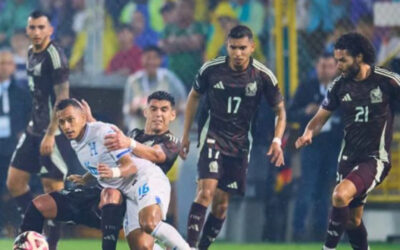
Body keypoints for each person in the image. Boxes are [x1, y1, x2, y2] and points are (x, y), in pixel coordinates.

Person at [20, 98, 191, 250]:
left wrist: (113, 172)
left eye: (70, 120)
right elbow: (100, 161)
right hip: (127, 191)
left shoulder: (104, 133)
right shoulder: (77, 141)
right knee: (142, 247)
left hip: (144, 178)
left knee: (149, 223)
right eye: (62, 122)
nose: (66, 126)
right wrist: (85, 178)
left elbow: (130, 167)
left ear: (82, 118)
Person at [180, 25, 286, 249]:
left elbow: (280, 111)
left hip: (240, 144)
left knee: (221, 206)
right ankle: (189, 246)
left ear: (252, 47)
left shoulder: (263, 76)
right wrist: (186, 135)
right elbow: (193, 97)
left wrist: (277, 140)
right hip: (213, 135)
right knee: (205, 193)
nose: (238, 53)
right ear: (227, 46)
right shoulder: (211, 69)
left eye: (242, 48)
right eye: (233, 47)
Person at [295, 32, 400, 250]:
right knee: (353, 221)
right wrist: (308, 133)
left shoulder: (387, 81)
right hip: (348, 158)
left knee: (339, 195)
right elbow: (320, 117)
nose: (338, 65)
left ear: (359, 57)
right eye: (337, 60)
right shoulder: (339, 86)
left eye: (343, 60)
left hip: (374, 158)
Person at [6, 10, 75, 249]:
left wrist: (51, 132)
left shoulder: (55, 56)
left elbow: (63, 97)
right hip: (33, 129)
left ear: (50, 30)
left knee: (53, 190)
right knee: (14, 182)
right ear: (27, 30)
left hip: (52, 132)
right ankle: (33, 229)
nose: (36, 32)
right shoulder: (29, 52)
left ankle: (49, 245)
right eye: (32, 27)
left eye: (41, 27)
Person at [103, 90, 183, 248]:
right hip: (131, 190)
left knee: (150, 223)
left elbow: (156, 155)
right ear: (146, 112)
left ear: (172, 115)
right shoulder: (133, 134)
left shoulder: (171, 140)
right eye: (153, 109)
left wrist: (129, 144)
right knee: (142, 247)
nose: (158, 114)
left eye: (164, 110)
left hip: (151, 186)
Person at [288, 52, 342, 241]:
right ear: (316, 67)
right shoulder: (307, 87)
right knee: (306, 187)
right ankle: (298, 231)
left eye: (329, 66)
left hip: (333, 144)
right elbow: (291, 112)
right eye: (322, 66)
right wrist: (306, 111)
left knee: (326, 189)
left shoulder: (341, 88)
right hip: (311, 144)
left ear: (336, 67)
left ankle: (320, 231)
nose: (325, 70)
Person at [0, 50, 31, 234]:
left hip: (13, 147)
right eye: (1, 63)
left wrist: (24, 134)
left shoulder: (21, 91)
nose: (4, 67)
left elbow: (31, 116)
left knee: (13, 187)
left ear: (13, 67)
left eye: (7, 63)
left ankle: (12, 225)